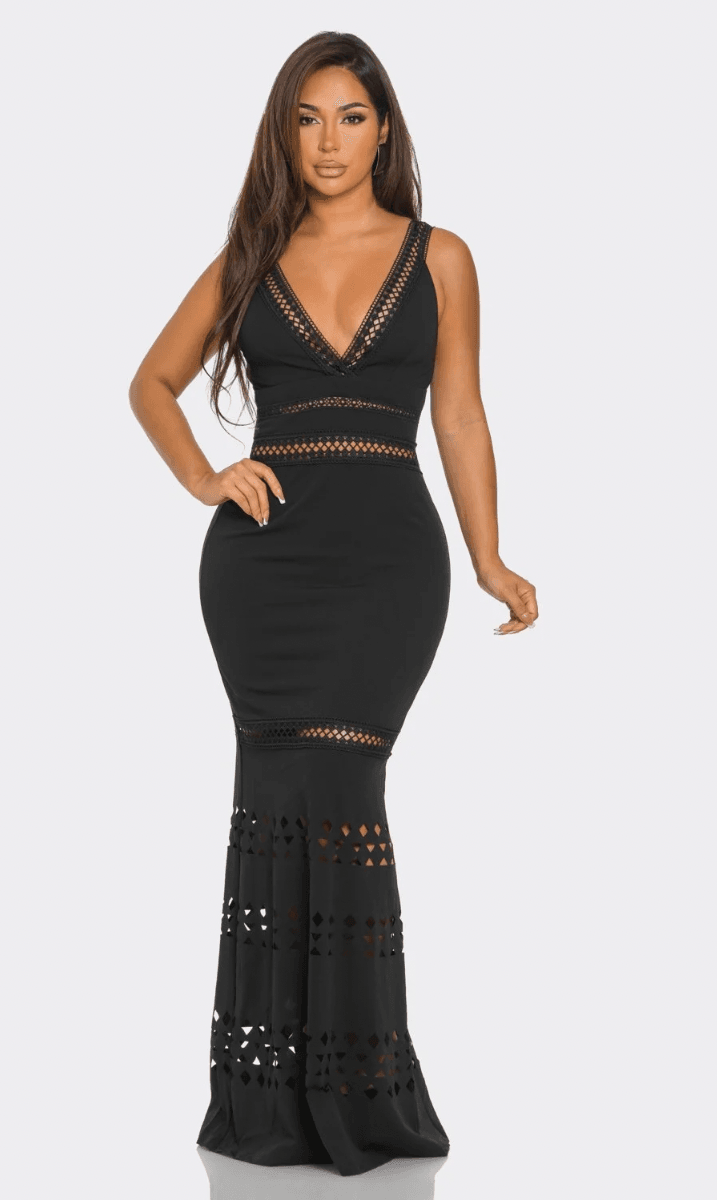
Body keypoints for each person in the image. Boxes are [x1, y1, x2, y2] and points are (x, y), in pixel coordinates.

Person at [128, 30, 538, 1179]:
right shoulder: (250, 258)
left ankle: (358, 1090)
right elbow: (150, 382)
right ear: (283, 132)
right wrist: (204, 476)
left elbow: (459, 414)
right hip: (263, 567)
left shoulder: (442, 256)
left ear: (384, 130)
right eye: (306, 119)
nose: (328, 142)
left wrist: (491, 558)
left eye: (350, 117)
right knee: (275, 795)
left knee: (347, 791)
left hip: (388, 568)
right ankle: (268, 1101)